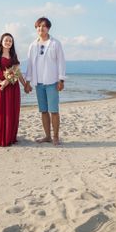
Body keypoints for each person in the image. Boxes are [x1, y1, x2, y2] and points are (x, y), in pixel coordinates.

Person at [24, 17, 66, 146]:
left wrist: (61, 79)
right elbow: (30, 64)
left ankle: (55, 137)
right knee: (43, 110)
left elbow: (61, 62)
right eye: (38, 26)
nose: (40, 29)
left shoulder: (55, 43)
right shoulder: (33, 45)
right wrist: (27, 81)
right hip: (39, 83)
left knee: (54, 110)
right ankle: (47, 136)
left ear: (48, 28)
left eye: (43, 26)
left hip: (52, 82)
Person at [0, 33, 28, 147]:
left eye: (10, 41)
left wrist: (25, 85)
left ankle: (9, 137)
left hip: (13, 88)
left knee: (11, 111)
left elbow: (18, 73)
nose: (8, 42)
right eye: (6, 40)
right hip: (0, 87)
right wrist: (0, 82)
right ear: (1, 41)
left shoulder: (14, 55)